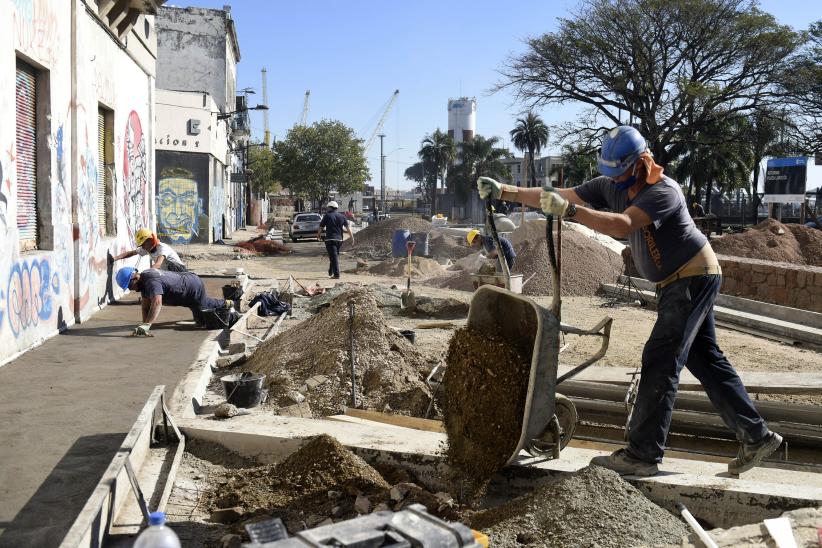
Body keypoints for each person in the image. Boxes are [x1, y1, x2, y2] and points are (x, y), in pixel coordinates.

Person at [477, 125, 781, 477]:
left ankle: (642, 455)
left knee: (660, 358)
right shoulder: (610, 184)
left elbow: (623, 225)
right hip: (678, 281)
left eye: (621, 173)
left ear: (639, 163)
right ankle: (757, 436)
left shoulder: (662, 191)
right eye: (611, 174)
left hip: (692, 277)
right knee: (705, 359)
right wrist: (506, 190)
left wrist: (571, 213)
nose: (615, 181)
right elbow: (561, 193)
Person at [115, 266, 233, 335]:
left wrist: (148, 324)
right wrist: (143, 325)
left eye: (131, 286)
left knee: (205, 322)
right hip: (185, 290)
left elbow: (157, 302)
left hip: (192, 288)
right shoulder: (143, 282)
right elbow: (146, 304)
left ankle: (232, 314)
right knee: (203, 306)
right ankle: (225, 303)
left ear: (135, 277)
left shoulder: (151, 281)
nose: (132, 289)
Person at [110, 228, 187, 272]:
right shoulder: (147, 248)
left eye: (143, 244)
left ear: (151, 240)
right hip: (169, 272)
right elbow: (131, 253)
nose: (142, 247)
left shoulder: (162, 248)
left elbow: (158, 264)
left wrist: (145, 273)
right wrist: (114, 258)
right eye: (141, 245)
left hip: (179, 271)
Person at [316, 201, 354, 279]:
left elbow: (321, 227)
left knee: (333, 256)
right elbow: (348, 228)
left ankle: (336, 274)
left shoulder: (327, 216)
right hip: (339, 240)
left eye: (328, 207)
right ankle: (331, 270)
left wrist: (318, 235)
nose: (327, 209)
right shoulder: (342, 216)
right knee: (334, 255)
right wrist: (352, 237)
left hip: (330, 239)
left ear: (330, 207)